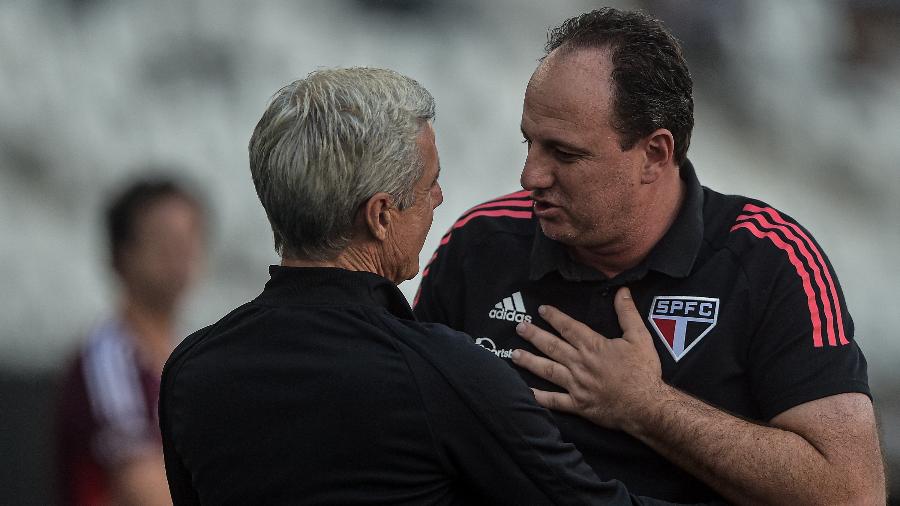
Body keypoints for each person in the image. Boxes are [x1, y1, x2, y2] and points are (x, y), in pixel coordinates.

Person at [413, 7, 885, 505]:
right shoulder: (479, 242)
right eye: (529, 143)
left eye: (565, 154)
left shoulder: (770, 260)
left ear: (655, 154)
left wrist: (647, 407)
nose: (531, 176)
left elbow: (853, 493)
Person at [158, 67, 682, 505]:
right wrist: (655, 409)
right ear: (381, 216)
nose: (437, 198)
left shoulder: (191, 371)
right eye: (429, 182)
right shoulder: (443, 376)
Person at [56, 177, 206, 505]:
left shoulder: (194, 352)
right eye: (164, 239)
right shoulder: (109, 358)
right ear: (121, 254)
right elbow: (142, 488)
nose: (180, 253)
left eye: (189, 237)